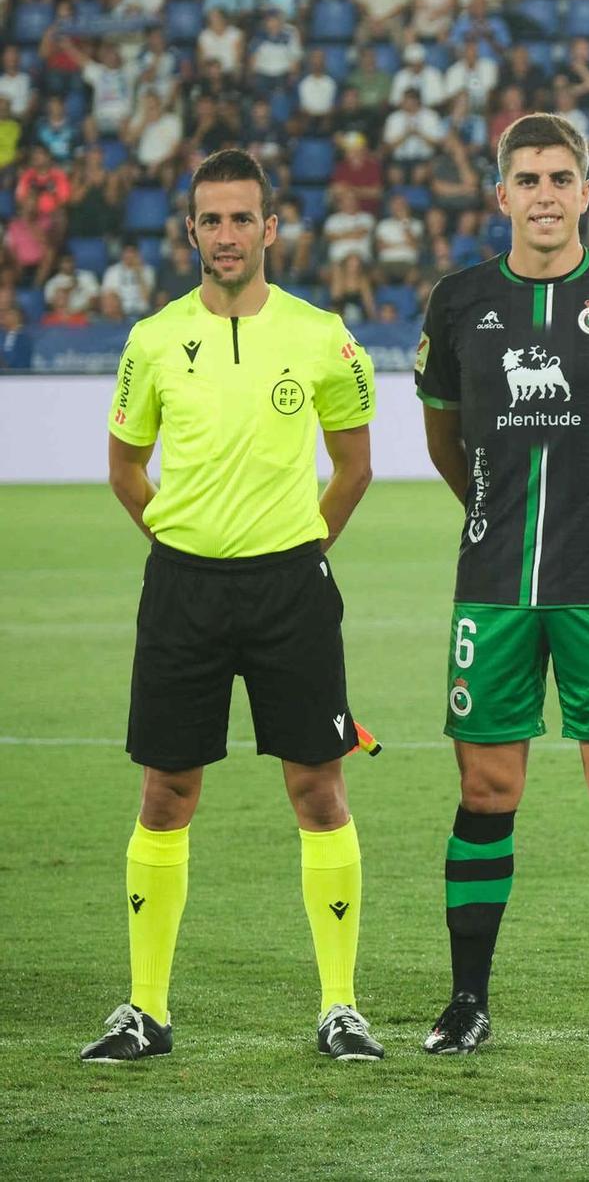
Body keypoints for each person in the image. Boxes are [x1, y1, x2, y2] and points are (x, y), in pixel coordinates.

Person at [83, 148, 381, 1063]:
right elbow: (126, 468)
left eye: (240, 218)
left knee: (318, 788)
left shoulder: (322, 335)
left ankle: (340, 1006)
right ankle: (144, 1009)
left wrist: (298, 550)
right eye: (209, 220)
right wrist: (183, 542)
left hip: (292, 587)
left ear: (270, 227)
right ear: (190, 230)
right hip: (183, 590)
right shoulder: (153, 339)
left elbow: (355, 464)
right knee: (167, 791)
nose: (224, 235)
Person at [414, 113, 589, 1055]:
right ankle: (467, 1002)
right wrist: (491, 508)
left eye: (559, 178)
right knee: (487, 791)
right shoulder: (457, 303)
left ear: (586, 192)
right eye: (525, 179)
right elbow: (445, 437)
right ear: (502, 195)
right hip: (491, 581)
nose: (543, 194)